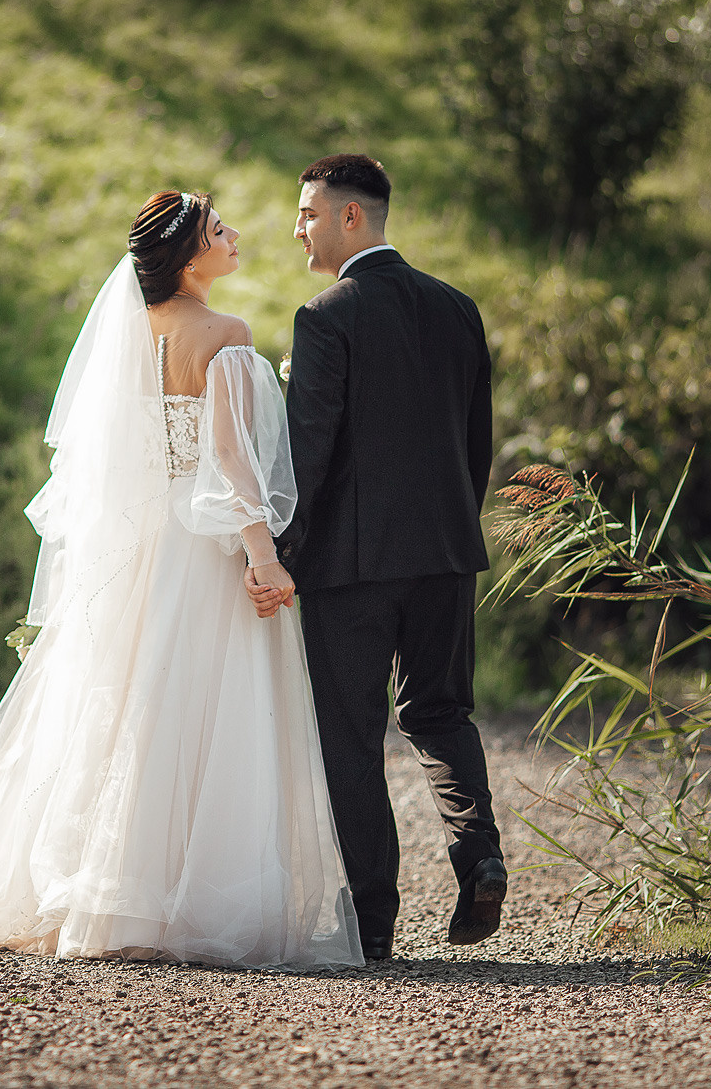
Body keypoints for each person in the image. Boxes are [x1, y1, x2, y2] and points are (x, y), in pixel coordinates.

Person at [0, 190, 363, 971]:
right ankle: (183, 897)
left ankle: (108, 889)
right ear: (190, 255)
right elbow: (230, 461)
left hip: (139, 544)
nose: (234, 235)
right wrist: (264, 557)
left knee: (129, 703)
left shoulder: (128, 335)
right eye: (219, 230)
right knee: (199, 707)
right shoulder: (227, 335)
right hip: (201, 546)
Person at [249, 153, 506, 962]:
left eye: (307, 213)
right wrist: (454, 527)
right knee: (441, 712)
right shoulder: (459, 309)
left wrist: (281, 554)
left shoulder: (325, 316)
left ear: (349, 216)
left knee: (352, 736)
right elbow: (475, 444)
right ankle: (481, 856)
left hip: (350, 568)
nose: (298, 228)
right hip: (446, 552)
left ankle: (374, 920)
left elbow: (309, 455)